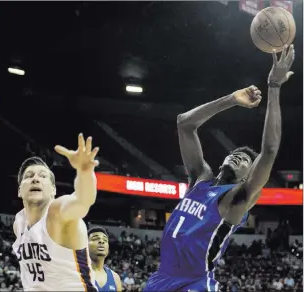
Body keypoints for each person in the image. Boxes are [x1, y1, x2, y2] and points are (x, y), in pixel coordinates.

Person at [144, 44, 295, 292]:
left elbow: (268, 151)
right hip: (160, 278)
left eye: (245, 160)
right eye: (234, 153)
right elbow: (184, 124)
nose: (237, 157)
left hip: (195, 283)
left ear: (249, 175)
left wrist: (274, 87)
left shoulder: (235, 200)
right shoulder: (199, 179)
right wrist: (231, 100)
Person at [12, 134, 99, 291]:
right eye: (29, 176)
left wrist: (84, 172)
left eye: (43, 176)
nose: (35, 179)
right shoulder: (19, 222)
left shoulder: (58, 212)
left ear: (53, 190)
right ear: (19, 190)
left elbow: (82, 200)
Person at [88, 226, 122, 291]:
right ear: (85, 245)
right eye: (95, 239)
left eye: (105, 240)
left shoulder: (115, 278)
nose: (101, 241)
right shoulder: (76, 274)